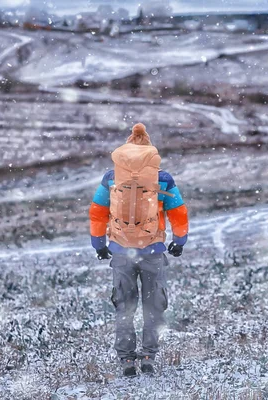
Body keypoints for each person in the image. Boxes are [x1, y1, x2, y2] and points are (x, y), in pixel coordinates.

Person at [89, 123, 189, 376]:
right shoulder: (162, 178)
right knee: (153, 306)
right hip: (153, 251)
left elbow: (98, 213)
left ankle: (126, 360)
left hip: (121, 252)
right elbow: (178, 212)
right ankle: (148, 356)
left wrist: (99, 244)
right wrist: (179, 241)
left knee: (125, 307)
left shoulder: (111, 177)